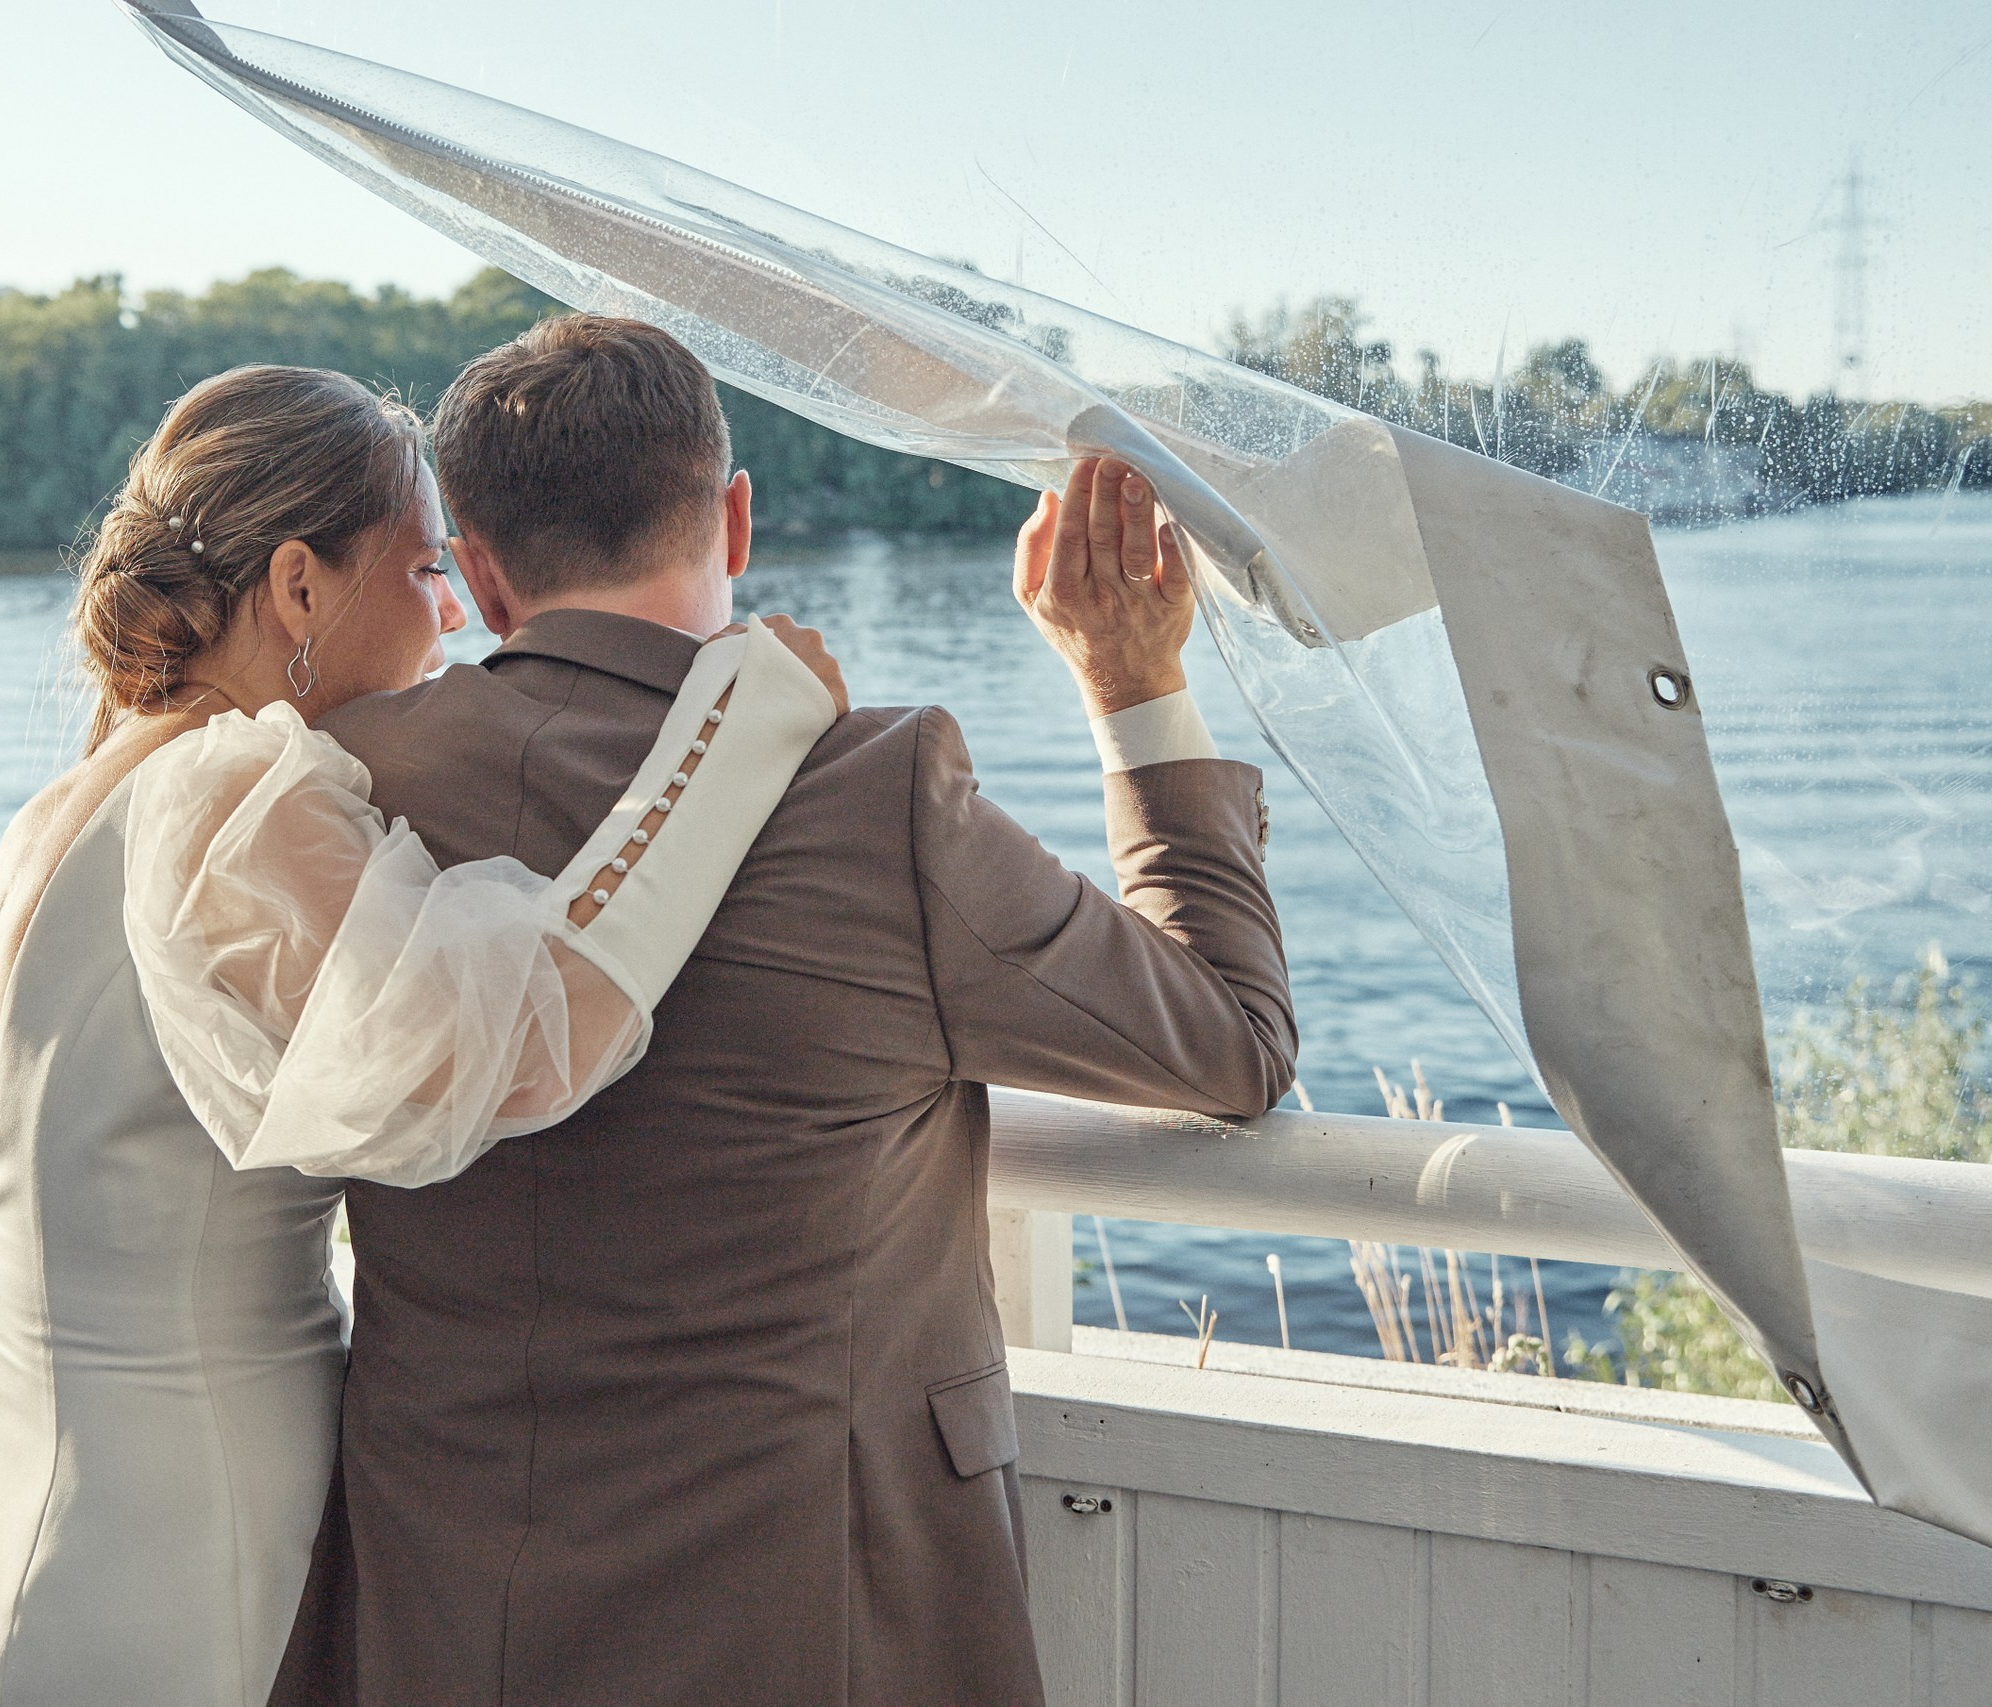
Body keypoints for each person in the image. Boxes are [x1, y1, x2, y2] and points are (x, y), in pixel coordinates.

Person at [283, 317, 1297, 1706]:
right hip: (820, 1613)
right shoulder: (872, 792)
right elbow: (1231, 1044)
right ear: (736, 515)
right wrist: (1132, 685)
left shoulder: (338, 782)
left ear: (483, 571)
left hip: (444, 1608)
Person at [0, 362, 847, 1707]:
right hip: (186, 1544)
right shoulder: (229, 796)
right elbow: (516, 1048)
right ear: (297, 587)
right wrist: (741, 734)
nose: (449, 629)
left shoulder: (58, 813)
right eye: (419, 578)